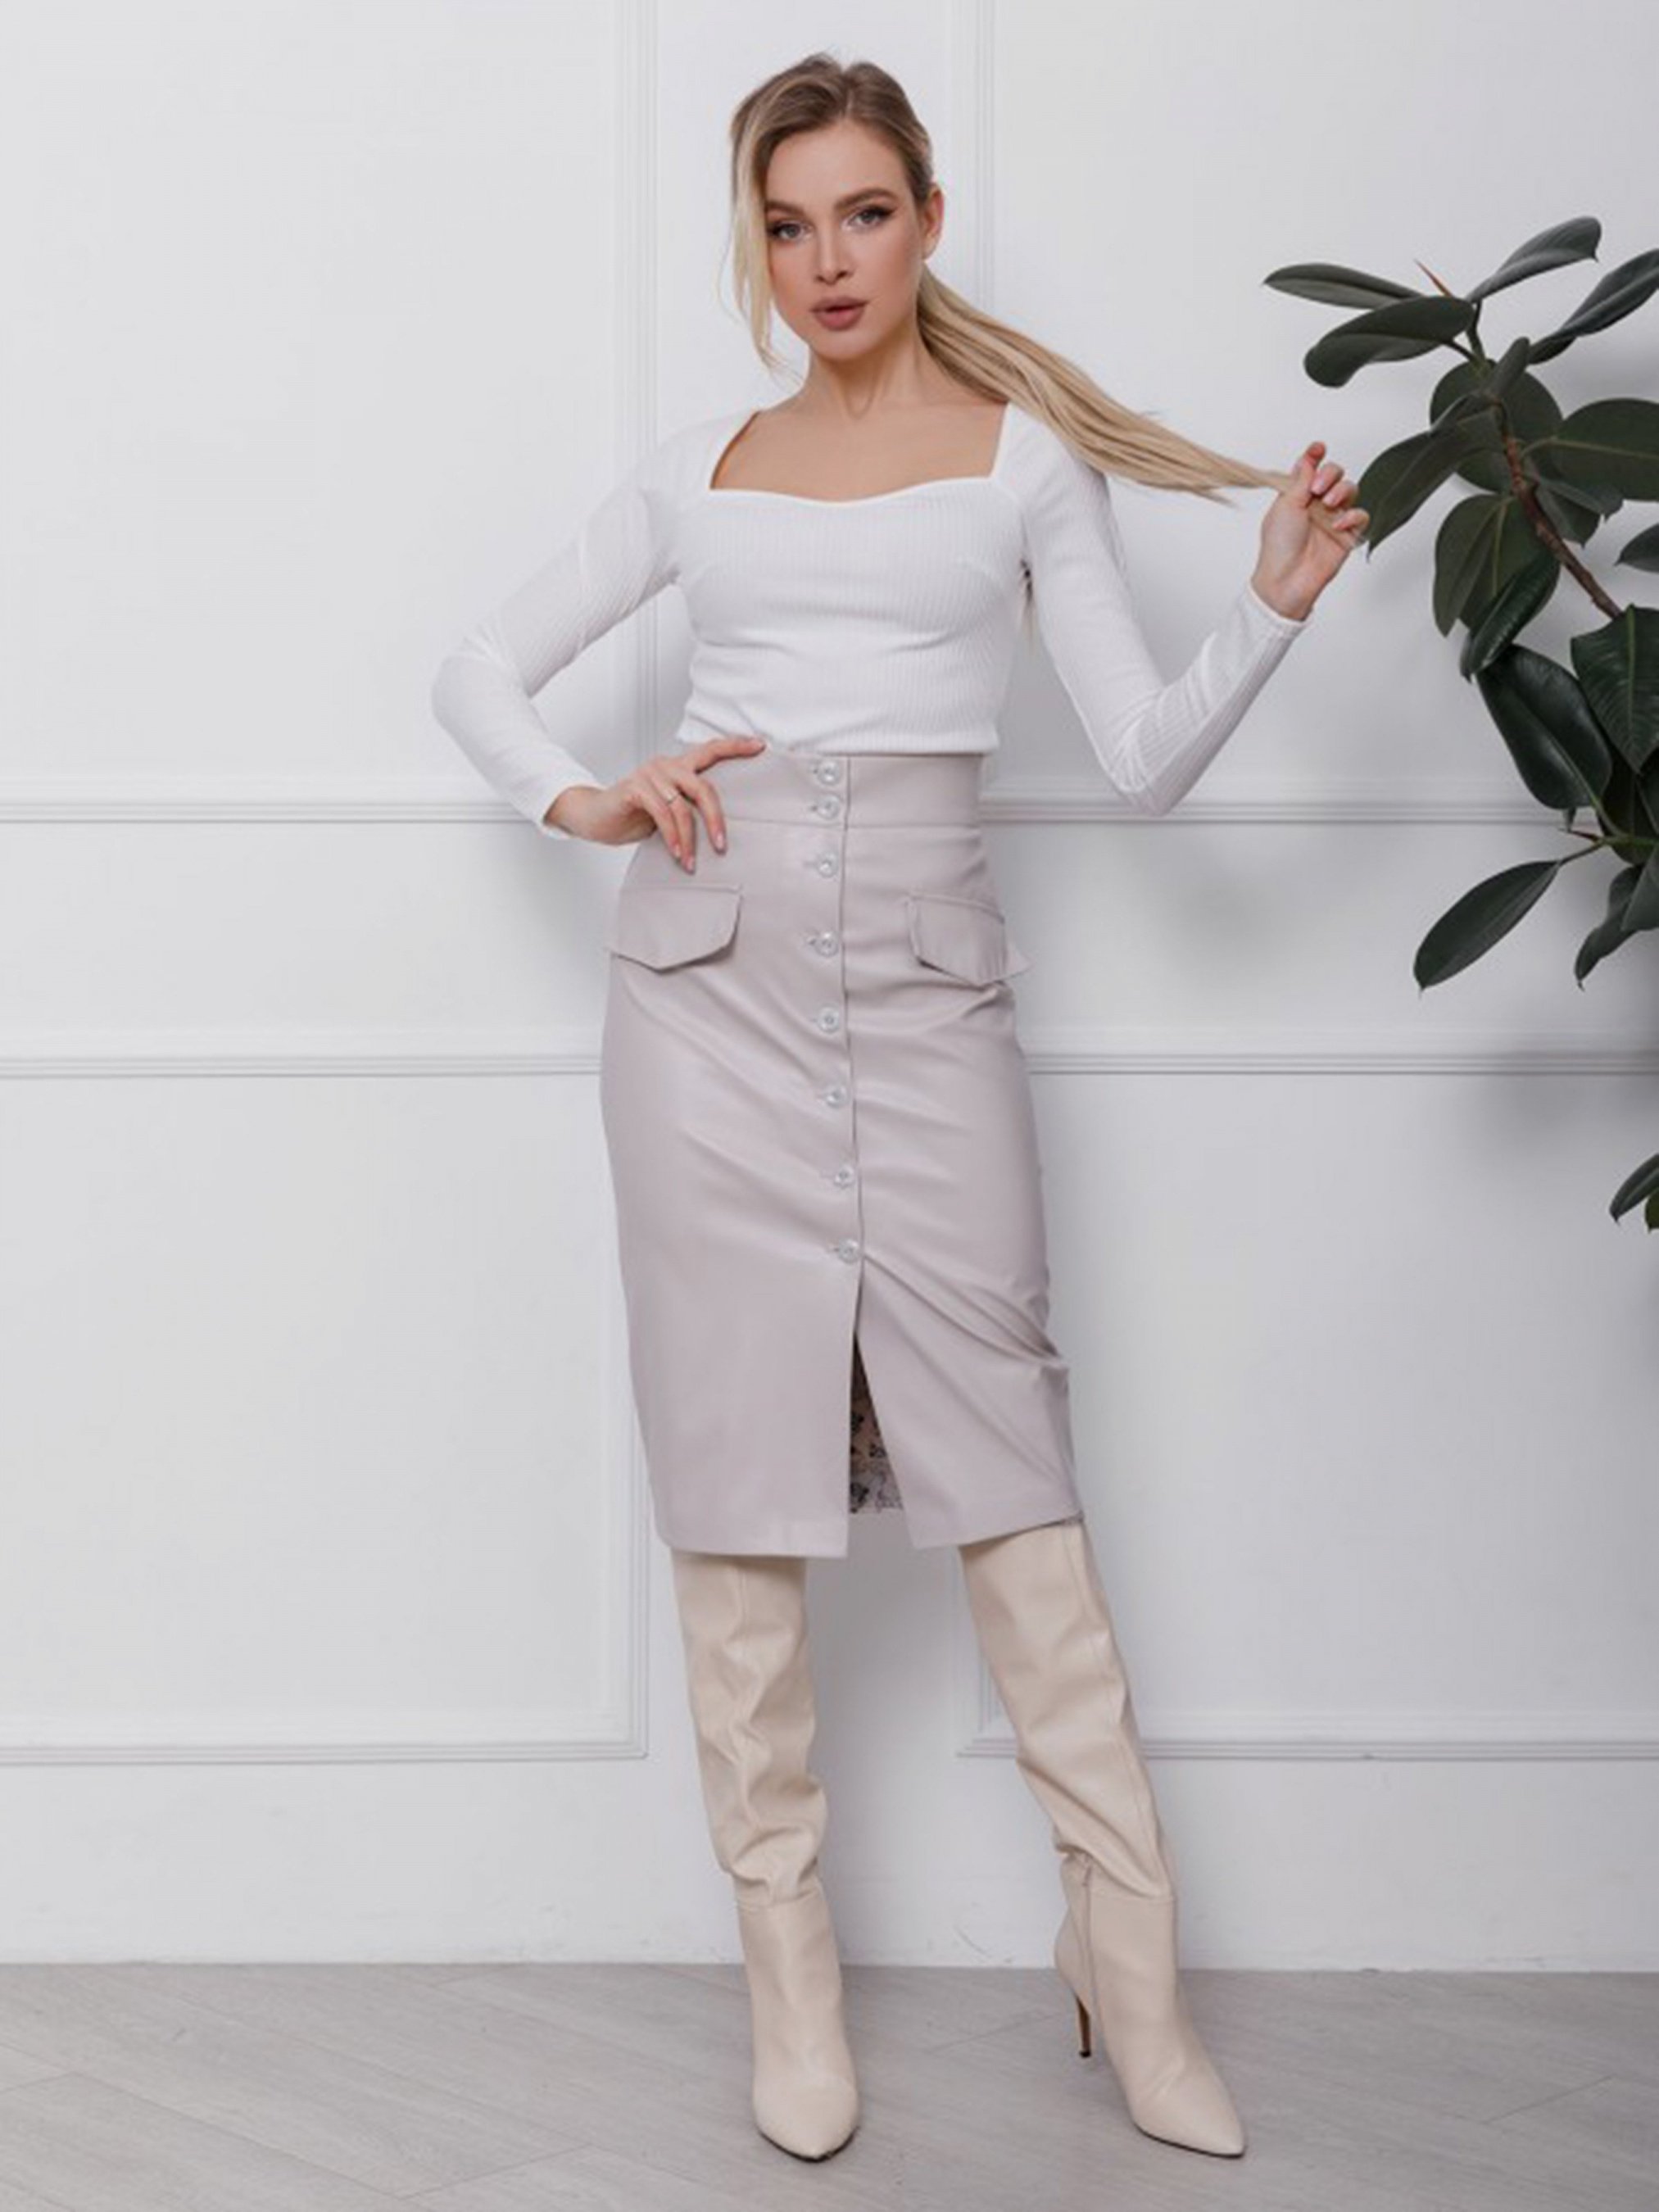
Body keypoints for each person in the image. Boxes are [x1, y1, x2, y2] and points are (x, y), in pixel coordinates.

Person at [430, 49, 1365, 2169]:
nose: (825, 261)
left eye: (862, 213)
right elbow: (475, 667)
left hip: (934, 1007)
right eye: (787, 225)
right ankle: (790, 1980)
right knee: (733, 1494)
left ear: (927, 219)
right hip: (703, 1008)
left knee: (1011, 1476)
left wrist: (1273, 606)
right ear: (755, 246)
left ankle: (1131, 1968)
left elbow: (1139, 759)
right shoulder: (701, 472)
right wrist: (586, 795)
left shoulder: (1024, 468)